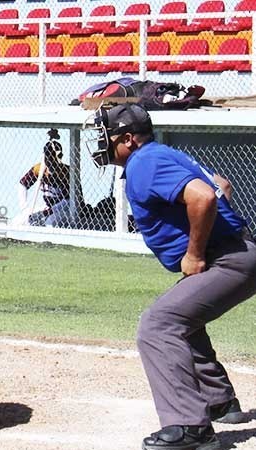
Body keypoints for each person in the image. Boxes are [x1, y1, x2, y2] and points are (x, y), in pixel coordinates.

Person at [86, 103, 256, 450]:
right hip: (237, 251)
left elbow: (205, 196)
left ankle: (190, 427)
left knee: (158, 325)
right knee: (181, 318)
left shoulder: (144, 162)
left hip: (229, 257)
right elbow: (221, 184)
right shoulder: (160, 154)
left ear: (129, 139)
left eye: (108, 136)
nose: (102, 143)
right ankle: (220, 402)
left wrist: (196, 252)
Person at [16, 128, 74, 227]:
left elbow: (68, 201)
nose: (52, 165)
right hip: (46, 207)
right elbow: (22, 185)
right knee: (19, 221)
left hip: (64, 210)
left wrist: (46, 212)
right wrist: (24, 207)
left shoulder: (66, 172)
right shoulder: (39, 169)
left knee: (50, 222)